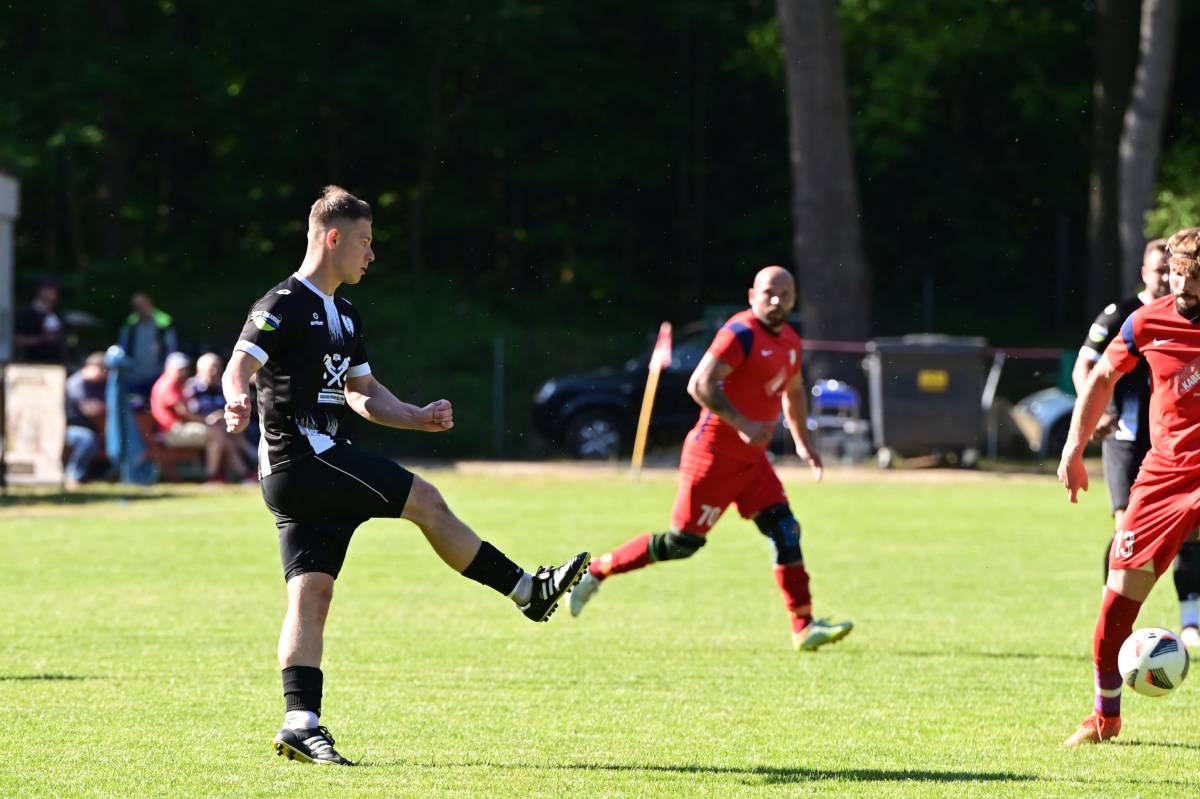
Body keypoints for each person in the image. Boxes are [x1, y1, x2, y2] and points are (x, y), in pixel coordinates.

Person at [221, 185, 589, 766]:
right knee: (427, 501)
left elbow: (362, 391)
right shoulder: (282, 302)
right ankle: (527, 590)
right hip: (303, 460)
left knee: (312, 595)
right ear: (332, 238)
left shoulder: (346, 314)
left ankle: (300, 723)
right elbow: (237, 366)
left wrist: (415, 417)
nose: (371, 255)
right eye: (365, 242)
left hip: (309, 470)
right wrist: (236, 398)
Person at [569, 266, 853, 651]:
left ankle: (803, 627)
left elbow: (794, 391)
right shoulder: (740, 333)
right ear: (752, 295)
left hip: (753, 462)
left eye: (785, 295)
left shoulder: (790, 340)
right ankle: (598, 571)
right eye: (769, 293)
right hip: (713, 457)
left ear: (794, 300)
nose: (776, 301)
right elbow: (700, 384)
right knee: (682, 544)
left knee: (786, 530)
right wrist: (743, 423)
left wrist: (803, 444)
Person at [1059, 226, 1200, 746]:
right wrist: (1073, 448)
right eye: (1177, 274)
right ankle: (1105, 717)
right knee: (1117, 600)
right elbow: (1100, 378)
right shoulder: (1145, 321)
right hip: (1163, 476)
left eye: (1192, 277)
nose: (1181, 286)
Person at [150, 352, 245, 483]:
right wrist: (207, 420)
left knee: (222, 435)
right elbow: (183, 412)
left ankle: (241, 473)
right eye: (179, 369)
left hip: (176, 428)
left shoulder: (176, 384)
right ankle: (212, 476)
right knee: (217, 434)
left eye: (184, 368)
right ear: (169, 368)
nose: (183, 372)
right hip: (171, 431)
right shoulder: (168, 384)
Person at [118, 292, 178, 400]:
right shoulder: (129, 328)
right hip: (134, 377)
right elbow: (123, 350)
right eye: (137, 307)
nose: (141, 309)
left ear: (151, 305)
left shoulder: (162, 327)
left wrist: (167, 372)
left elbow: (171, 350)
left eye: (143, 305)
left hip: (157, 375)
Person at [64, 352, 108, 487]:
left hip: (93, 427)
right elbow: (89, 409)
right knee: (87, 439)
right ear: (89, 367)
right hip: (67, 429)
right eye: (101, 369)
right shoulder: (76, 383)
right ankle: (73, 476)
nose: (104, 373)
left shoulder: (99, 384)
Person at [14, 280, 66, 363]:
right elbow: (17, 339)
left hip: (57, 362)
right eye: (49, 290)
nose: (52, 294)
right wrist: (41, 339)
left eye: (55, 291)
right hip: (34, 362)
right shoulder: (27, 315)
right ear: (40, 291)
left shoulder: (57, 314)